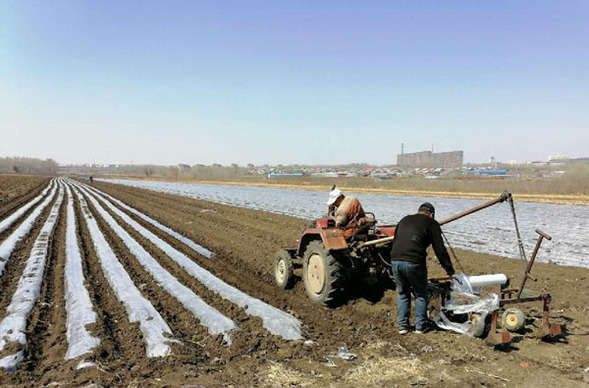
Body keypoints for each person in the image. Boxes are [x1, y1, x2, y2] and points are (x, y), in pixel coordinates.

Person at [390, 202, 455, 334]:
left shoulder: (405, 219)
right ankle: (420, 327)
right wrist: (449, 270)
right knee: (421, 293)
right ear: (431, 215)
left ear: (419, 211)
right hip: (414, 261)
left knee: (403, 293)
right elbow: (440, 250)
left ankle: (403, 326)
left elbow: (395, 240)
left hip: (395, 260)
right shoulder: (432, 223)